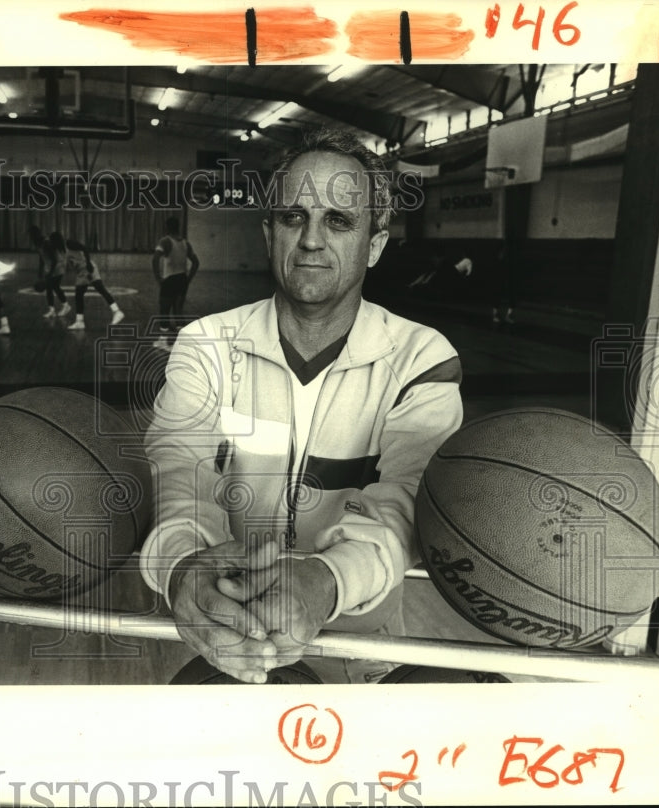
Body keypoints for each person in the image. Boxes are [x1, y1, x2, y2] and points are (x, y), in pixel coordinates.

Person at [139, 128, 464, 684]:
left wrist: (324, 580)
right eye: (294, 217)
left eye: (338, 221)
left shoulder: (422, 357)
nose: (312, 239)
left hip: (360, 639)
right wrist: (184, 561)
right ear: (270, 233)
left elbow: (408, 498)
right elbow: (179, 466)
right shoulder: (205, 344)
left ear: (376, 244)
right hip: (228, 631)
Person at [152, 216, 200, 350]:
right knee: (178, 311)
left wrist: (158, 278)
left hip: (170, 279)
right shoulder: (186, 243)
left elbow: (155, 259)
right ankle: (183, 343)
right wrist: (188, 279)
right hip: (182, 279)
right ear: (178, 227)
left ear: (167, 227)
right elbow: (196, 263)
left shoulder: (165, 241)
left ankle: (163, 341)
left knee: (164, 309)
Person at [59, 234, 125, 331]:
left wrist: (89, 264)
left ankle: (80, 321)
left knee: (88, 292)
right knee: (90, 292)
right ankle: (116, 311)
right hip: (82, 271)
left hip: (87, 268)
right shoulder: (62, 252)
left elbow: (84, 248)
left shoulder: (68, 243)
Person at [29, 225, 70, 320]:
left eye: (31, 234)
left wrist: (50, 273)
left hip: (57, 266)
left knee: (50, 288)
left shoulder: (46, 243)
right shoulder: (38, 243)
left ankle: (56, 309)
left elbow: (54, 259)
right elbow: (42, 257)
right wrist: (40, 270)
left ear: (35, 234)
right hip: (51, 267)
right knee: (54, 287)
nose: (30, 237)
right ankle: (61, 307)